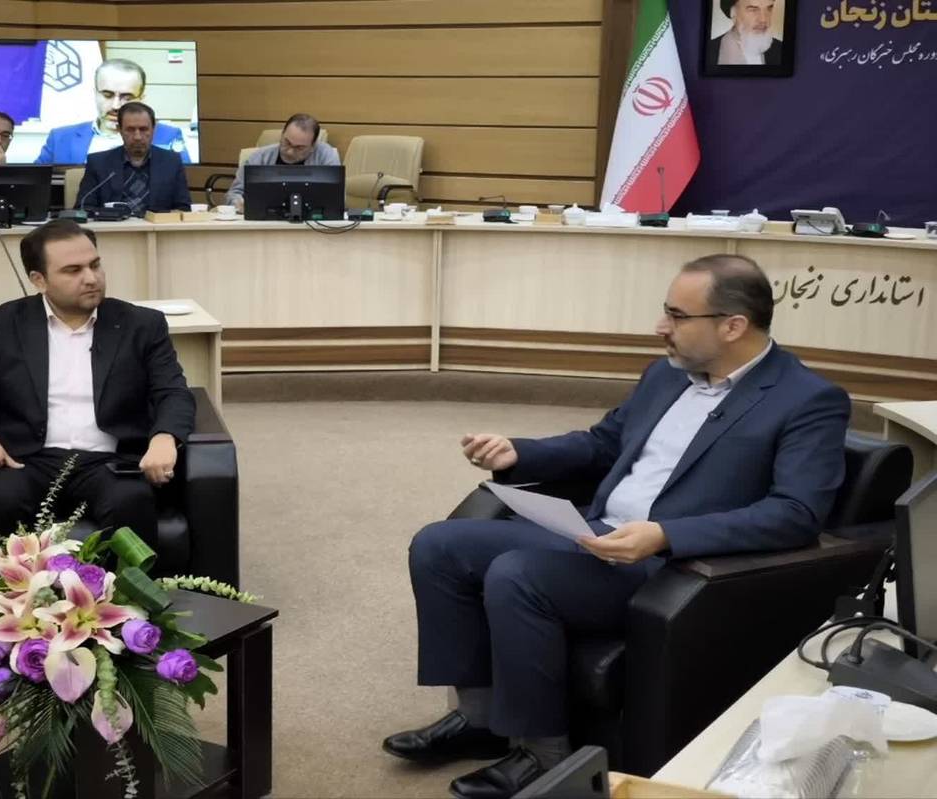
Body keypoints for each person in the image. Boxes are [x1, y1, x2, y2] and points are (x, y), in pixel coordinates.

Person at [383, 254, 849, 799]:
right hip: (597, 529)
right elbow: (605, 444)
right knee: (439, 545)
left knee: (517, 574)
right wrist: (520, 453)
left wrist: (666, 535)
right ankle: (481, 721)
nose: (661, 327)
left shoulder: (808, 400)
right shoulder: (664, 375)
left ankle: (543, 757)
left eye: (677, 315)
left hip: (668, 564)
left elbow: (795, 513)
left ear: (732, 326)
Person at [0, 218, 195, 547]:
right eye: (73, 270)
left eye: (95, 265)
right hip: (25, 460)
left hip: (111, 462)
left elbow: (173, 392)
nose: (91, 278)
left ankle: (130, 585)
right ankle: (1, 584)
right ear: (39, 280)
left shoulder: (141, 324)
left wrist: (164, 438)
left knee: (130, 503)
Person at [36, 58, 190, 165]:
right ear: (95, 93)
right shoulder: (60, 138)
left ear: (141, 99)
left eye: (127, 97)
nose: (116, 106)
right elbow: (38, 188)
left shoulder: (168, 136)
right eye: (107, 95)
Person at [73, 102, 191, 214]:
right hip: (113, 227)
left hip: (156, 227)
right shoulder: (98, 163)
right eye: (130, 130)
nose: (137, 137)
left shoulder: (171, 162)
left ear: (153, 129)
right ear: (120, 130)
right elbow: (83, 208)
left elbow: (183, 208)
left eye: (143, 129)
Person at [224, 113, 341, 211]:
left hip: (311, 223)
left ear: (313, 146)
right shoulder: (260, 157)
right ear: (282, 134)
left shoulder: (327, 156)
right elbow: (234, 193)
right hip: (265, 222)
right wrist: (239, 203)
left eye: (299, 148)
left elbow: (337, 198)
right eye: (287, 142)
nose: (290, 151)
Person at [707, 0, 782, 66]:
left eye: (769, 8)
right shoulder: (709, 51)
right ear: (733, 12)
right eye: (753, 10)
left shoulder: (781, 49)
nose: (763, 19)